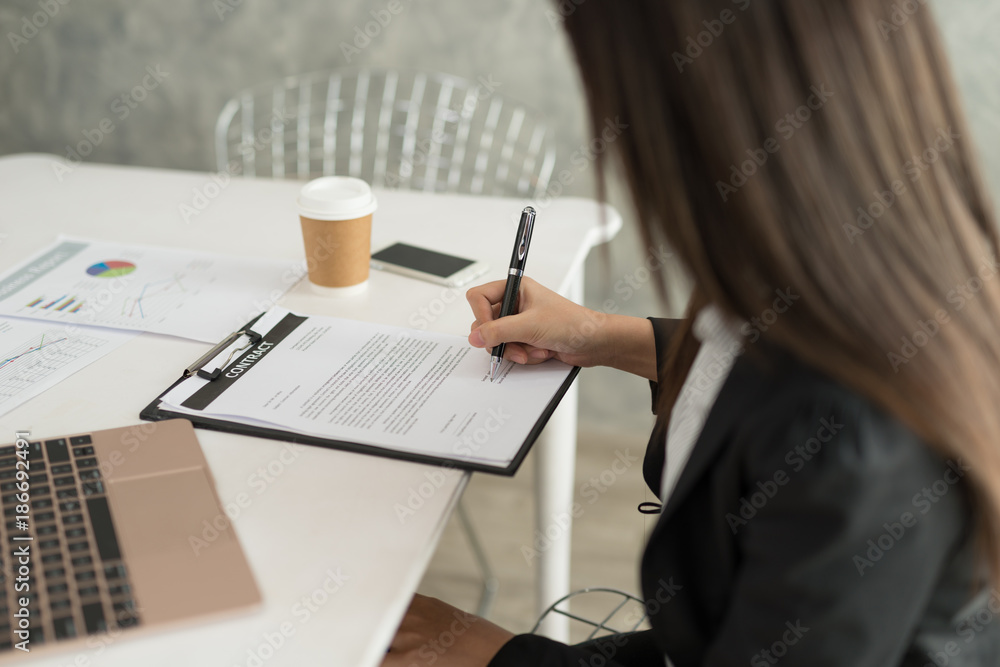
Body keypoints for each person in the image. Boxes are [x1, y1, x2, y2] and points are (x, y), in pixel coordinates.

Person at [383, 1, 1000, 665]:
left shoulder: (849, 442)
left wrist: (500, 655)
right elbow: (756, 367)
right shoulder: (855, 281)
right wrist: (604, 336)